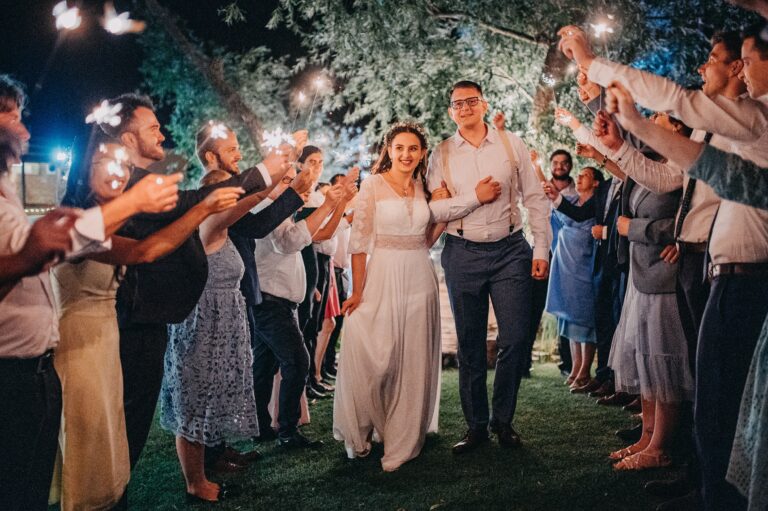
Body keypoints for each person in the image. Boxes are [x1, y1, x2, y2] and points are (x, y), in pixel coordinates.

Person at [0, 78, 181, 511]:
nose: (24, 130)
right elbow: (131, 250)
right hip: (36, 366)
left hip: (47, 365)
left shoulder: (10, 195)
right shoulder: (69, 210)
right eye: (10, 116)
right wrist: (135, 203)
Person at [101, 93, 292, 476]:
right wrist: (264, 174)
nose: (162, 133)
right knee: (129, 425)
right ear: (128, 139)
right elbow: (183, 216)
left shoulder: (145, 184)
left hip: (153, 316)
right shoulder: (126, 185)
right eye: (153, 127)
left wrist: (277, 181)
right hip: (135, 318)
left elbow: (191, 211)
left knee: (132, 430)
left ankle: (198, 460)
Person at [51, 131, 241, 510]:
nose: (119, 172)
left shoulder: (114, 220)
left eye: (122, 165)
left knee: (114, 445)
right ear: (83, 171)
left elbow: (151, 244)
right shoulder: (72, 221)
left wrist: (199, 206)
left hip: (107, 340)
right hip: (81, 345)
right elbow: (144, 252)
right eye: (107, 164)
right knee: (88, 447)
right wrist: (200, 208)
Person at [333, 121, 496, 470]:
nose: (406, 155)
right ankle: (364, 426)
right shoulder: (372, 185)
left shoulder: (424, 187)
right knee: (377, 356)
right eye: (399, 148)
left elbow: (426, 239)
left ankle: (403, 439)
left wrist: (442, 214)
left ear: (422, 154)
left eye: (413, 149)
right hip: (381, 274)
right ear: (389, 151)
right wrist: (357, 291)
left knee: (413, 357)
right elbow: (358, 245)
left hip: (420, 276)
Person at [427, 80, 551, 453]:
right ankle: (476, 426)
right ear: (450, 112)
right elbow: (436, 209)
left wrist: (541, 249)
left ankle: (503, 420)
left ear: (484, 105)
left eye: (471, 101)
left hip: (511, 250)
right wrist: (474, 198)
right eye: (457, 104)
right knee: (470, 344)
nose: (464, 108)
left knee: (515, 338)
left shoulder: (512, 144)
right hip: (461, 251)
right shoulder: (441, 154)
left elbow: (535, 198)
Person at [191, 122, 313, 470]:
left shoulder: (230, 191)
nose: (239, 154)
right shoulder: (212, 193)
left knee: (229, 373)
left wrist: (288, 186)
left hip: (236, 296)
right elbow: (258, 223)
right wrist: (292, 184)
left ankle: (219, 447)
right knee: (212, 377)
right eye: (232, 150)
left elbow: (257, 210)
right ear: (211, 156)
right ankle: (209, 455)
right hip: (214, 299)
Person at [160, 168, 264, 503]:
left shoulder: (226, 229)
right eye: (228, 191)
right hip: (201, 326)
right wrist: (277, 177)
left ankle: (209, 465)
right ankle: (195, 483)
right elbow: (255, 199)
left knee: (209, 399)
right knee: (194, 401)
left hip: (224, 326)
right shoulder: (207, 225)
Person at [251, 166, 352, 449]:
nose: (293, 185)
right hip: (270, 302)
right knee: (297, 362)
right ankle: (287, 431)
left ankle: (261, 426)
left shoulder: (281, 211)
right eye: (285, 180)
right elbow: (290, 242)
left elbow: (320, 233)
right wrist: (329, 204)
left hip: (277, 302)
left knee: (264, 366)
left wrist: (339, 204)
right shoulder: (266, 209)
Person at [542, 167, 604, 390]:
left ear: (596, 183)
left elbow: (578, 217)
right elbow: (550, 195)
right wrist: (539, 171)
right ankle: (576, 366)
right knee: (569, 319)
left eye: (585, 175)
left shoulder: (596, 205)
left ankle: (585, 370)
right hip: (565, 265)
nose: (578, 177)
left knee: (584, 317)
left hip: (583, 265)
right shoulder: (571, 200)